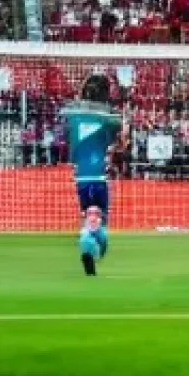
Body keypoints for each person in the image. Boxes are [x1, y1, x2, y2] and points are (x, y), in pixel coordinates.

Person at [63, 73, 121, 276]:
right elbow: (115, 135)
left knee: (90, 214)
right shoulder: (109, 118)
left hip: (81, 178)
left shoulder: (73, 116)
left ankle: (88, 242)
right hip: (99, 177)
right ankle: (91, 244)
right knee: (101, 218)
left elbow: (68, 135)